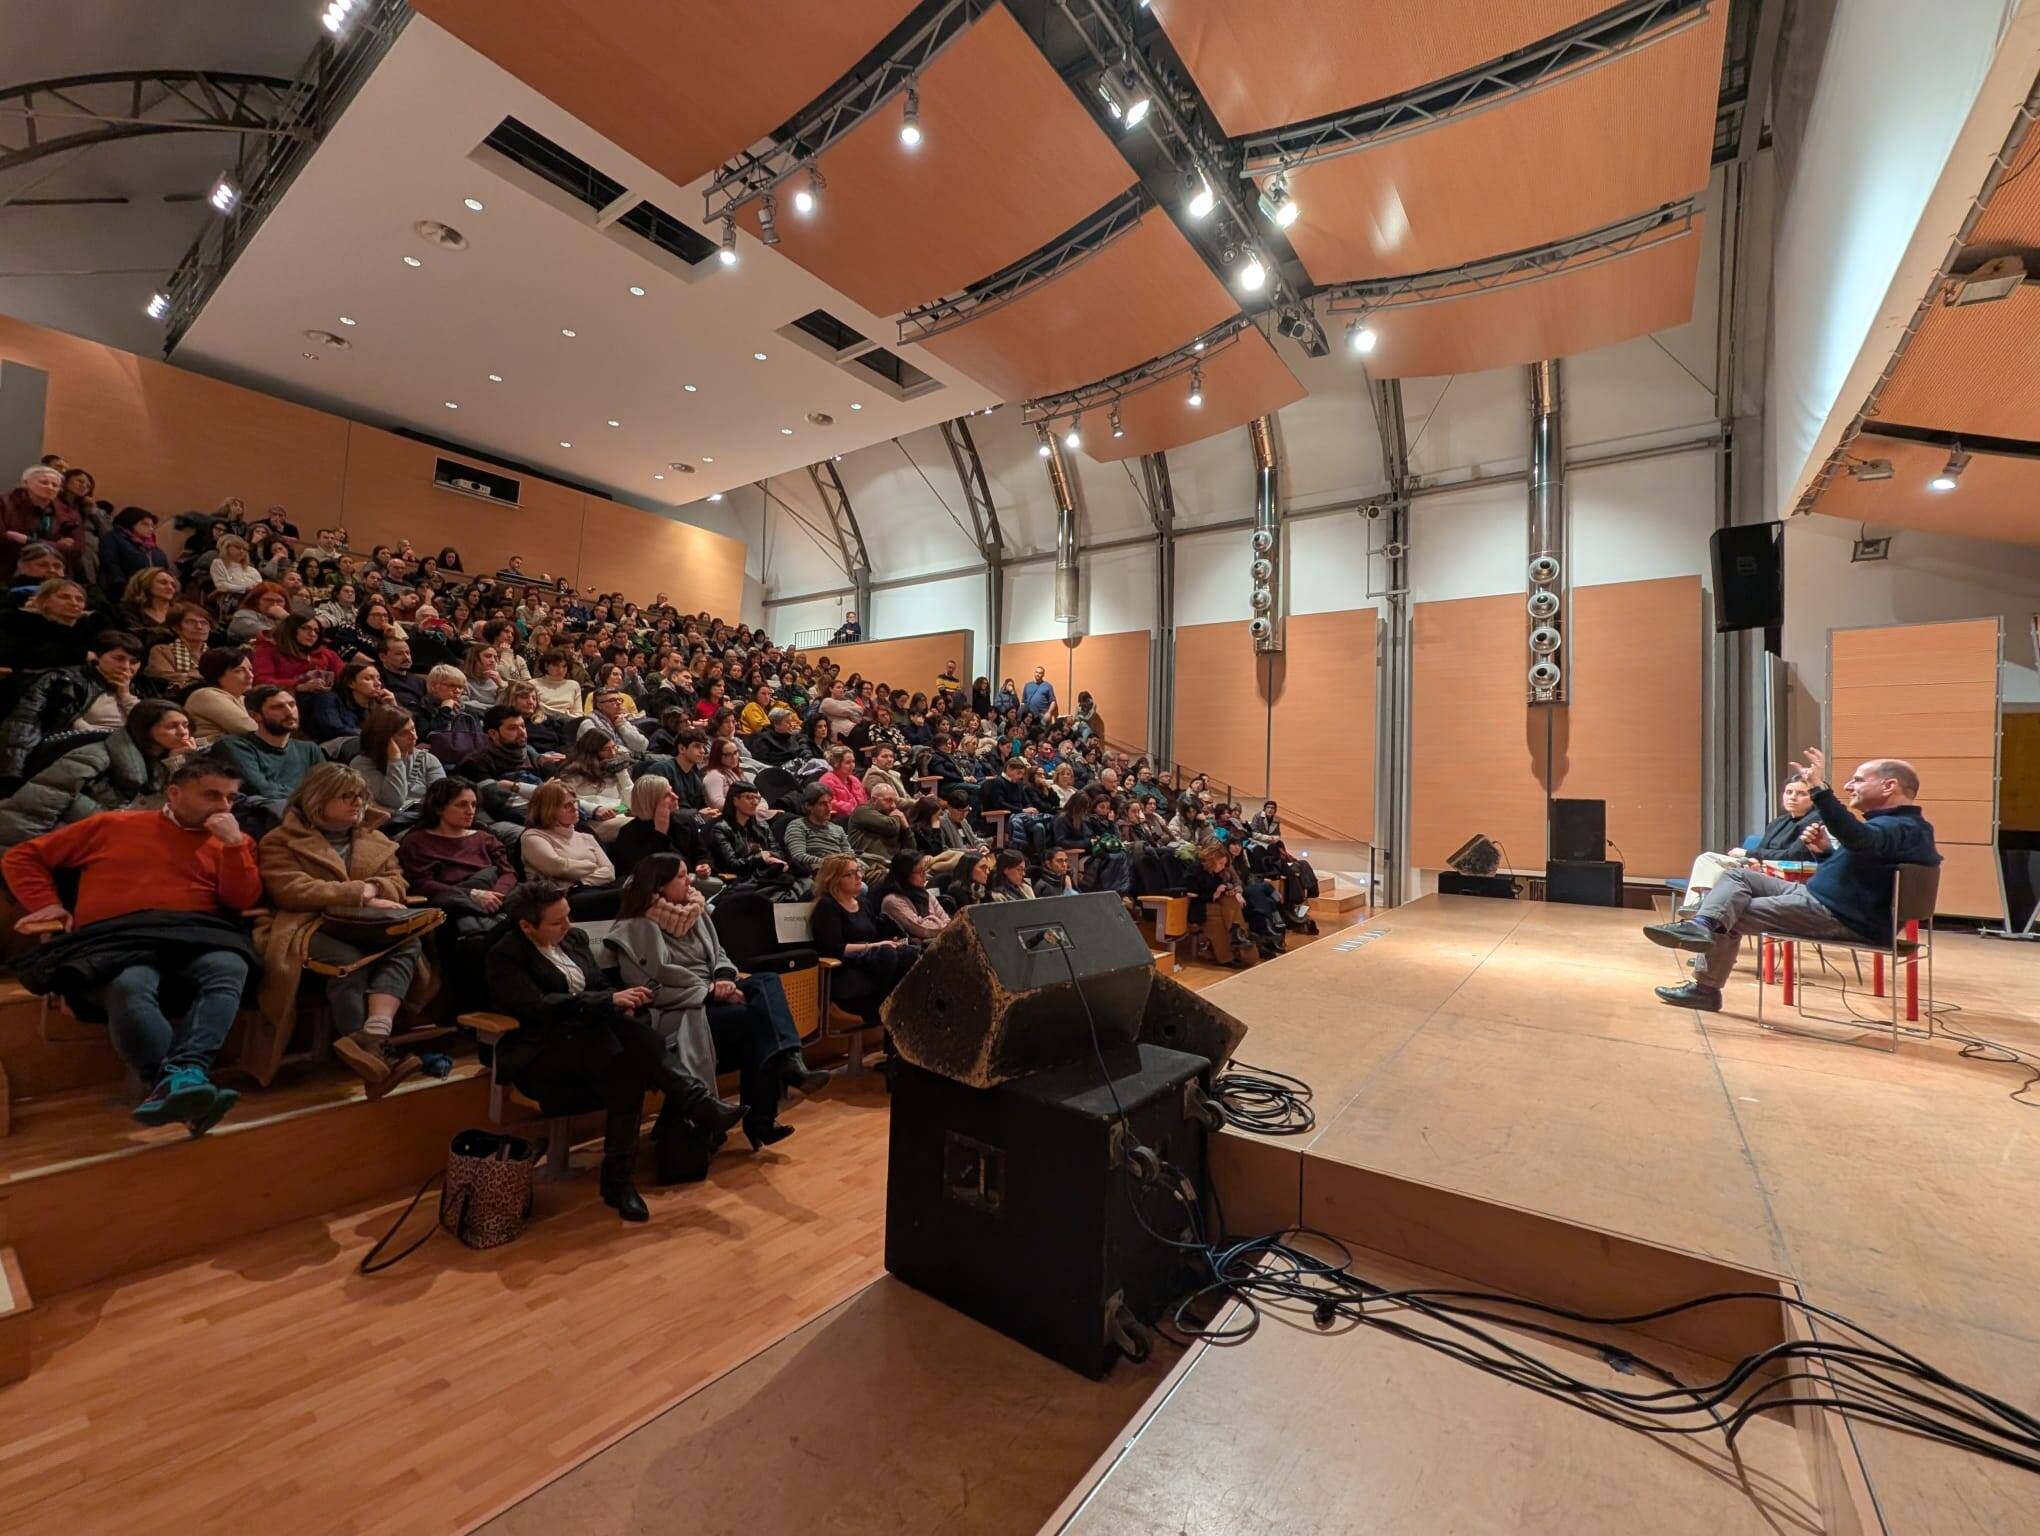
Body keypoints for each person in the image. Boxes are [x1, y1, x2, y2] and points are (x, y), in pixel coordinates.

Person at [3, 754, 260, 1135]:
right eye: (211, 795)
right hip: (117, 938)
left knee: (230, 965)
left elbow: (241, 900)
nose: (223, 806)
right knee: (130, 982)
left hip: (193, 934)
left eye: (230, 798)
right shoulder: (113, 825)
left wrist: (235, 845)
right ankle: (180, 1080)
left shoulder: (235, 842)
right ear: (174, 794)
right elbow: (23, 856)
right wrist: (47, 904)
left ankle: (179, 1077)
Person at [486, 880, 747, 1221]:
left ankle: (620, 1181)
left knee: (627, 1067)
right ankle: (694, 1103)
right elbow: (538, 1007)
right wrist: (606, 1001)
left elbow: (598, 984)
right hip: (543, 1050)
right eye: (557, 921)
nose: (568, 925)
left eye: (568, 916)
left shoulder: (574, 940)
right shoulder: (505, 955)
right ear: (526, 926)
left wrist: (620, 998)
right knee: (629, 1048)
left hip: (595, 1040)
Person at [1645, 749, 1941, 1012]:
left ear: (1889, 786)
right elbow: (1863, 869)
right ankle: (1700, 926)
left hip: (1840, 915)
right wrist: (1825, 854)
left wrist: (1819, 789)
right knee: (1737, 876)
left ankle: (1705, 989)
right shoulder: (1898, 827)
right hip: (1820, 899)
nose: (1849, 786)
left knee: (1727, 912)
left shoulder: (1903, 828)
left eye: (1858, 780)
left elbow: (1857, 838)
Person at [607, 856, 828, 1166]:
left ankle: (789, 1061)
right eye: (680, 876)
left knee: (766, 982)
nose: (689, 880)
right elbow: (648, 988)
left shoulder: (696, 913)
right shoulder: (634, 927)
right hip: (681, 1008)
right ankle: (765, 1112)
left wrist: (723, 978)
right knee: (755, 1023)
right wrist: (709, 991)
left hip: (714, 992)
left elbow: (720, 955)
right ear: (658, 885)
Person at [255, 764, 433, 1095]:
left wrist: (375, 890)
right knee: (348, 959)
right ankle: (370, 1055)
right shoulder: (281, 840)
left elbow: (397, 881)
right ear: (317, 799)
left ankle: (374, 1036)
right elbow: (291, 890)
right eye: (347, 796)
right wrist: (361, 894)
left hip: (368, 922)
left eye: (361, 796)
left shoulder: (375, 838)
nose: (358, 803)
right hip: (306, 922)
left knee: (407, 942)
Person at [0, 698, 192, 850]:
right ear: (146, 729)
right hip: (67, 840)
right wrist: (23, 859)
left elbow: (164, 809)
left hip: (110, 836)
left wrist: (177, 763)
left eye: (186, 725)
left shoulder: (169, 760)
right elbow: (37, 804)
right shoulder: (95, 755)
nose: (183, 732)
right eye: (172, 726)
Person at [0, 629, 144, 785]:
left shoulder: (135, 690)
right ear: (98, 656)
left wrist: (125, 694)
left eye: (133, 662)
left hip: (122, 756)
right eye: (119, 658)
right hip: (73, 751)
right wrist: (12, 771)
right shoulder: (65, 682)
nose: (126, 667)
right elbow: (24, 722)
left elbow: (146, 725)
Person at [1676, 774, 1823, 914]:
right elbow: (1761, 850)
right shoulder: (1778, 822)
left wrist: (1748, 853)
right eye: (1788, 792)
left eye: (1801, 794)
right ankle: (1700, 905)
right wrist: (1753, 859)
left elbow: (1792, 855)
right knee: (1707, 859)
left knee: (1710, 862)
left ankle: (1703, 906)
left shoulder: (1815, 821)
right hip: (1760, 868)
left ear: (1814, 798)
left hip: (1788, 876)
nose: (1792, 797)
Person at [808, 853, 917, 1030]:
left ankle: (900, 1017)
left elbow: (875, 937)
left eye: (858, 870)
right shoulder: (827, 906)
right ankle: (889, 1012)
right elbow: (833, 949)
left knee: (911, 952)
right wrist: (876, 946)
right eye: (850, 874)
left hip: (871, 961)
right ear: (834, 880)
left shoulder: (864, 904)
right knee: (888, 956)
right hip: (846, 967)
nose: (859, 876)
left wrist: (890, 941)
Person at [398, 777, 516, 915]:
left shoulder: (485, 838)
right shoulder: (416, 842)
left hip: (494, 899)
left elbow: (508, 872)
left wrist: (494, 896)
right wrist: (471, 894)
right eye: (461, 805)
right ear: (439, 808)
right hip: (451, 906)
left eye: (473, 805)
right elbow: (422, 884)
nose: (470, 811)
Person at [212, 685, 325, 821]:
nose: (289, 712)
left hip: (309, 812)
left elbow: (328, 787)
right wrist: (310, 797)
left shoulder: (309, 749)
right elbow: (260, 788)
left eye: (292, 704)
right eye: (277, 707)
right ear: (254, 715)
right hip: (262, 816)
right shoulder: (234, 746)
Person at [519, 779, 619, 912]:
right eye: (567, 805)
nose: (575, 808)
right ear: (549, 810)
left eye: (575, 802)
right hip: (560, 900)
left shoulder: (586, 836)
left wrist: (579, 882)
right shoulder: (533, 836)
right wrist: (592, 865)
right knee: (628, 896)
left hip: (592, 890)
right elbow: (559, 867)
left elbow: (609, 872)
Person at [351, 704, 444, 823]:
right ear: (384, 738)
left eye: (413, 729)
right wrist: (395, 760)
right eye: (404, 733)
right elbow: (394, 800)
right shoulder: (361, 765)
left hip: (426, 823)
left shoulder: (427, 759)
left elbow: (443, 802)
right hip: (389, 828)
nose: (414, 737)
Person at [703, 780, 789, 888]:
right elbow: (732, 865)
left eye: (757, 798)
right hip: (740, 881)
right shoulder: (720, 829)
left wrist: (768, 857)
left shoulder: (762, 825)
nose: (755, 802)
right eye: (749, 797)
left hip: (764, 873)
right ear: (735, 800)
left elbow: (778, 851)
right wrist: (761, 858)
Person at [0, 575, 93, 674]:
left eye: (80, 599)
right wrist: (83, 655)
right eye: (64, 597)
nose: (74, 603)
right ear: (43, 601)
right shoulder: (21, 625)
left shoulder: (86, 630)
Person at [1, 465, 76, 579]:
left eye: (55, 485)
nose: (50, 487)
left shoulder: (67, 512)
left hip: (53, 574)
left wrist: (28, 540)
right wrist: (57, 545)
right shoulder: (4, 503)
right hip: (7, 570)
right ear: (26, 483)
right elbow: (3, 537)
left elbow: (75, 549)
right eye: (44, 482)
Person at [301, 659, 392, 743]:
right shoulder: (329, 699)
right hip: (333, 746)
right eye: (368, 678)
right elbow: (333, 729)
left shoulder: (377, 705)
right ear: (351, 683)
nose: (378, 683)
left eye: (378, 678)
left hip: (362, 744)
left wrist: (392, 706)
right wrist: (373, 737)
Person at [874, 850, 952, 941]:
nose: (925, 875)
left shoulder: (926, 894)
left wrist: (933, 921)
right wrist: (938, 921)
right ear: (905, 874)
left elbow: (948, 922)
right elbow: (922, 929)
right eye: (920, 871)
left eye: (925, 870)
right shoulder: (892, 901)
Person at [251, 614, 342, 692]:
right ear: (290, 629)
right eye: (305, 628)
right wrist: (298, 685)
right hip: (286, 697)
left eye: (316, 631)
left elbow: (344, 675)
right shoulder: (267, 650)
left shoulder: (326, 654)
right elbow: (261, 681)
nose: (312, 634)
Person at [96, 507, 172, 595]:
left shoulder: (154, 548)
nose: (151, 529)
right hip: (125, 592)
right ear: (130, 523)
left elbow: (166, 570)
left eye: (152, 526)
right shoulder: (114, 539)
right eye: (145, 524)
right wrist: (123, 586)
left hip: (152, 593)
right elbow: (110, 565)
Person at [579, 687, 648, 756]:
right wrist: (631, 751)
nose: (619, 703)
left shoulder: (621, 720)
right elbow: (607, 754)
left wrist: (622, 727)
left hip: (630, 760)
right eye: (612, 700)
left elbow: (642, 746)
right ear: (599, 705)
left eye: (619, 700)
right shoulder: (590, 725)